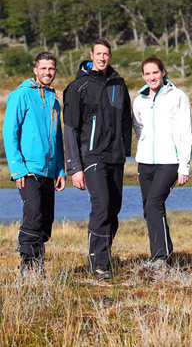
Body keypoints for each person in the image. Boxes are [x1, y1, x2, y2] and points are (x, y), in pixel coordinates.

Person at [63, 38, 132, 280]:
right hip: (91, 156)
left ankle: (105, 256)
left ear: (110, 56)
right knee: (101, 205)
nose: (102, 58)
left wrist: (125, 150)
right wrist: (75, 168)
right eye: (98, 54)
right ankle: (99, 263)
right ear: (91, 55)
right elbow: (70, 128)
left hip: (115, 156)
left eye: (106, 54)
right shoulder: (78, 86)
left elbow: (125, 119)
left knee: (113, 208)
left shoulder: (118, 84)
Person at [3, 52, 66, 274]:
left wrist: (60, 169)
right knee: (34, 216)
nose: (48, 72)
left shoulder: (53, 100)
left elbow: (57, 138)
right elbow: (9, 132)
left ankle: (38, 265)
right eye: (44, 68)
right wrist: (17, 169)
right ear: (35, 70)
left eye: (51, 68)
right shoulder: (21, 95)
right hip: (28, 170)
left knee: (46, 220)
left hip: (49, 171)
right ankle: (29, 269)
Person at [132, 56, 192, 263]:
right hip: (146, 163)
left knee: (154, 204)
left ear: (163, 72)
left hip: (169, 162)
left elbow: (186, 132)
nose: (152, 77)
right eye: (147, 74)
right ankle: (161, 253)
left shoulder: (177, 96)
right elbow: (139, 128)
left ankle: (160, 256)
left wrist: (184, 166)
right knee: (150, 209)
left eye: (155, 72)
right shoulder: (139, 100)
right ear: (143, 76)